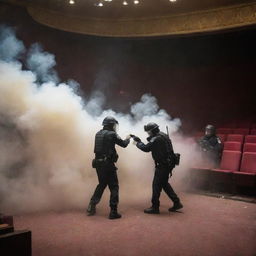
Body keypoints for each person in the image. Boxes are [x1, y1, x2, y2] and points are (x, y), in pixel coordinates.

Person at [131, 122, 183, 214]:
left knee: (156, 186)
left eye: (148, 132)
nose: (148, 134)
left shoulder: (156, 138)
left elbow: (146, 148)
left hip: (162, 165)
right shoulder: (163, 135)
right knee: (164, 184)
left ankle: (155, 207)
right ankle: (177, 202)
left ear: (153, 130)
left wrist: (138, 142)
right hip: (168, 164)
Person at [87, 116, 130, 219]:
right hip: (108, 164)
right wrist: (128, 138)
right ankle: (113, 212)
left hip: (98, 164)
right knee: (114, 186)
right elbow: (124, 144)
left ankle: (91, 206)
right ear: (111, 125)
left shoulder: (98, 134)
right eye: (114, 125)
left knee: (101, 184)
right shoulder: (112, 134)